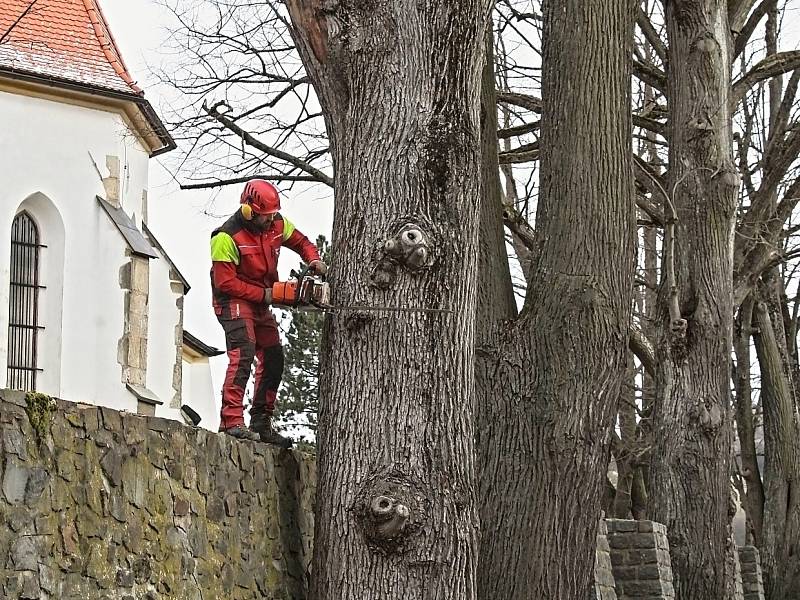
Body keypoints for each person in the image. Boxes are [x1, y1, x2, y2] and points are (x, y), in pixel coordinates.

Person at [210, 179, 327, 447]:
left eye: (273, 214)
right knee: (244, 351)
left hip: (261, 298)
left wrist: (314, 258)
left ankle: (262, 421)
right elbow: (225, 282)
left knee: (273, 355)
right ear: (250, 210)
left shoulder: (277, 223)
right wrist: (266, 294)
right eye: (265, 215)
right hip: (233, 300)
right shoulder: (226, 237)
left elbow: (301, 241)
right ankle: (231, 420)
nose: (270, 219)